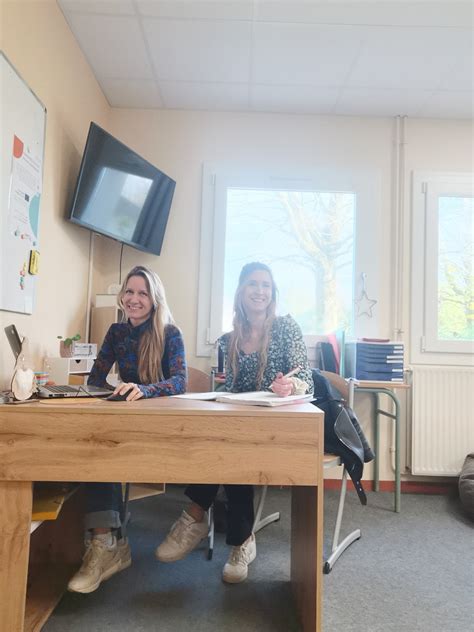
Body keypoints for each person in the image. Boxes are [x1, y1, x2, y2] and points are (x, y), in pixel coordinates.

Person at [155, 261, 313, 584]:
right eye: (253, 284)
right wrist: (218, 397)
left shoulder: (286, 328)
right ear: (241, 291)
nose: (259, 290)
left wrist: (290, 386)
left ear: (273, 293)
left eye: (266, 285)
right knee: (230, 443)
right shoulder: (229, 341)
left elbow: (306, 377)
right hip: (245, 428)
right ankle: (241, 540)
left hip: (281, 429)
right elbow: (229, 387)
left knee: (233, 446)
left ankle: (195, 515)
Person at [68, 265, 186, 594]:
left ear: (154, 299)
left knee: (105, 448)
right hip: (129, 420)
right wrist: (106, 394)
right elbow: (95, 378)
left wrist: (144, 389)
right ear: (122, 297)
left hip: (162, 424)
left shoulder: (170, 332)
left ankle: (109, 543)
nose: (134, 299)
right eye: (129, 292)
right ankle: (106, 541)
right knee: (96, 444)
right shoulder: (117, 332)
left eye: (142, 293)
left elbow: (180, 381)